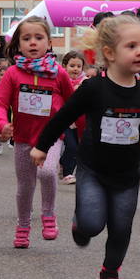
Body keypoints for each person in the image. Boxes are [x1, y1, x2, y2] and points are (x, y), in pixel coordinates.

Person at [31, 14, 140, 279]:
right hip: (93, 170)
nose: (139, 51)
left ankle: (110, 272)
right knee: (91, 224)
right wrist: (42, 145)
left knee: (121, 228)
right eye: (131, 46)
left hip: (126, 176)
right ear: (110, 53)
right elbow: (63, 117)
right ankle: (80, 225)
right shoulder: (93, 88)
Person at [0, 16, 74, 248]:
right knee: (25, 187)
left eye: (39, 38)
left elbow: (73, 103)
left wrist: (84, 128)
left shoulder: (58, 73)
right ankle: (23, 226)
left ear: (49, 43)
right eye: (26, 38)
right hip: (23, 139)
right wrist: (1, 124)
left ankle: (49, 215)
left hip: (51, 139)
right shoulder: (13, 74)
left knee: (47, 173)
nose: (33, 43)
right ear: (18, 45)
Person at [59, 50, 87, 185]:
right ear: (65, 66)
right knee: (71, 146)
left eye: (78, 66)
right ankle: (67, 173)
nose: (75, 69)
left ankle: (63, 163)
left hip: (80, 121)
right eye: (72, 66)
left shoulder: (85, 82)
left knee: (78, 147)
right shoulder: (61, 80)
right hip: (64, 120)